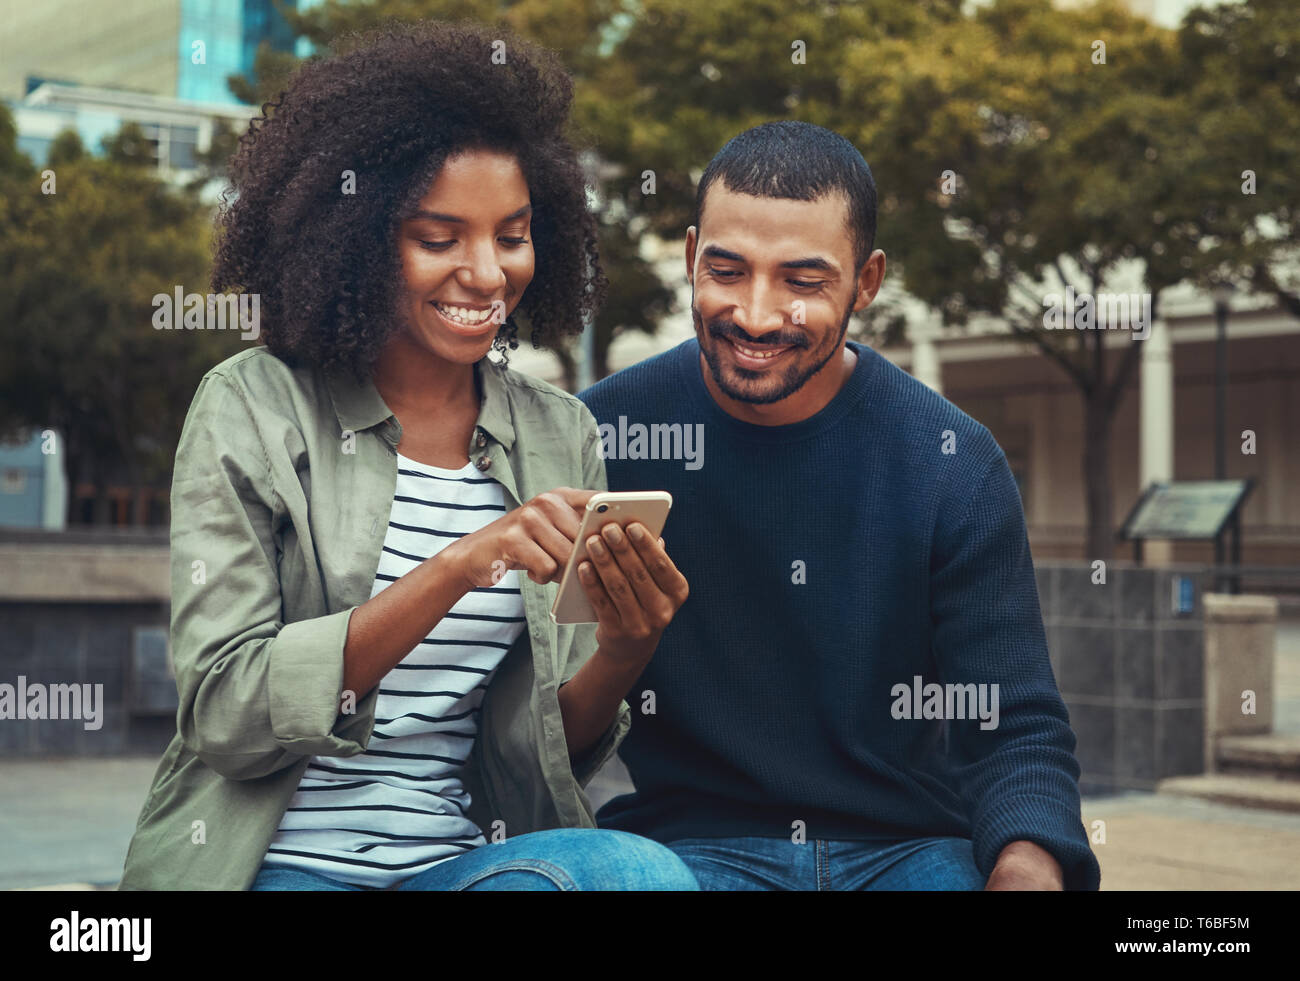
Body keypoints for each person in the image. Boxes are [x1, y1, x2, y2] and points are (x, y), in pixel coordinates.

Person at [119, 22, 695, 892]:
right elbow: (226, 714)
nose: (487, 272)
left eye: (512, 234)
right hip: (271, 864)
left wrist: (625, 647)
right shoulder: (252, 406)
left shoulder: (557, 433)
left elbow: (542, 751)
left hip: (453, 865)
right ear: (354, 237)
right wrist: (459, 566)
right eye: (439, 237)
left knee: (640, 875)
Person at [579, 120, 1101, 891]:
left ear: (866, 280)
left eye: (802, 281)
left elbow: (1011, 723)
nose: (756, 315)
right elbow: (537, 722)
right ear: (691, 258)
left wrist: (1029, 865)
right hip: (689, 852)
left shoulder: (953, 461)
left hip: (913, 852)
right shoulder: (600, 437)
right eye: (727, 270)